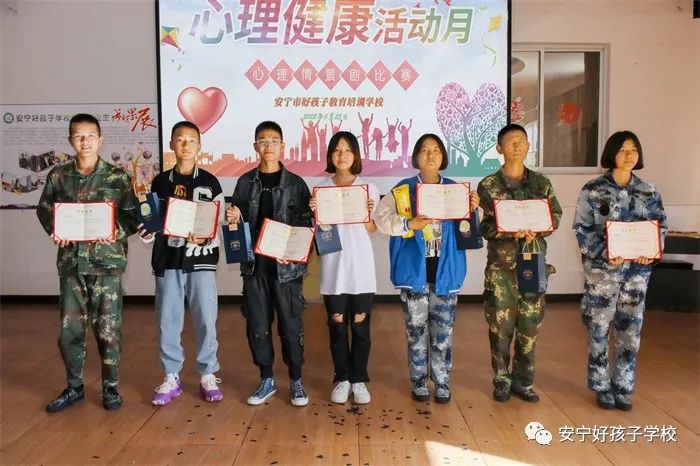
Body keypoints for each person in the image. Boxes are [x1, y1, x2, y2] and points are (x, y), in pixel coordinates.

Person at [36, 113, 138, 412]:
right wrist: (56, 231)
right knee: (70, 331)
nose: (85, 141)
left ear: (101, 139)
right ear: (70, 140)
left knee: (108, 329)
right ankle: (74, 387)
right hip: (72, 265)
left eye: (91, 135)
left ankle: (111, 388)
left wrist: (113, 231)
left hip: (106, 265)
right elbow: (45, 209)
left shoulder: (117, 177)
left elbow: (131, 216)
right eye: (79, 136)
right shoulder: (58, 176)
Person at [375, 134, 479, 403]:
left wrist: (473, 209)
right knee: (416, 332)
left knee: (443, 333)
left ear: (443, 156)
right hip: (414, 272)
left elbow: (468, 231)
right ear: (416, 157)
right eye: (424, 149)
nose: (430, 154)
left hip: (446, 271)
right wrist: (409, 224)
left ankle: (442, 382)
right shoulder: (403, 190)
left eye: (436, 150)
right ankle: (419, 381)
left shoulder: (456, 191)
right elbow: (381, 220)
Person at [573, 131, 667, 411]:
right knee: (598, 329)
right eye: (623, 149)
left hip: (636, 275)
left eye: (634, 149)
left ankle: (623, 387)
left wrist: (651, 251)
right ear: (611, 153)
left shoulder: (649, 191)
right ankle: (601, 386)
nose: (629, 155)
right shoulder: (593, 189)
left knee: (630, 331)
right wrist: (604, 253)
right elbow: (581, 229)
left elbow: (660, 227)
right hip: (603, 274)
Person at [226, 121, 313, 407]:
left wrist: (294, 253)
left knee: (291, 326)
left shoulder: (296, 184)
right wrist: (232, 220)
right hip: (255, 268)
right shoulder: (244, 183)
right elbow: (236, 225)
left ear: (283, 146)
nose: (268, 145)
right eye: (263, 140)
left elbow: (305, 227)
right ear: (255, 146)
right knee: (258, 326)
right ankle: (266, 379)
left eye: (274, 140)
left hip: (287, 270)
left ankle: (296, 380)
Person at [137, 121, 224, 406]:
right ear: (172, 144)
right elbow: (152, 222)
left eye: (191, 140)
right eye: (180, 139)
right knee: (168, 320)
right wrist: (147, 233)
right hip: (168, 260)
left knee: (206, 319)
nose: (186, 145)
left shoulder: (211, 182)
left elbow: (217, 224)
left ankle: (208, 374)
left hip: (201, 261)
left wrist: (205, 237)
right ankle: (171, 375)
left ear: (199, 146)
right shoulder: (160, 182)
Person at [477, 123, 562, 403]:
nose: (517, 146)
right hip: (501, 269)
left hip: (532, 263)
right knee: (500, 326)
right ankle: (502, 379)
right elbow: (484, 227)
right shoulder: (488, 185)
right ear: (499, 148)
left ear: (528, 146)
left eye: (522, 141)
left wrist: (538, 229)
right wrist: (507, 231)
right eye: (511, 142)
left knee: (529, 324)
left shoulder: (541, 183)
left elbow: (555, 216)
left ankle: (524, 382)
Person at [309, 131, 379, 405]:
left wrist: (368, 214)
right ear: (330, 155)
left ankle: (359, 379)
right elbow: (319, 231)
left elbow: (372, 229)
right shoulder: (321, 189)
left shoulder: (368, 188)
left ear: (356, 155)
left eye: (348, 149)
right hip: (334, 270)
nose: (342, 155)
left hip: (361, 269)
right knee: (336, 327)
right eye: (337, 150)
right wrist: (314, 211)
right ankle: (342, 378)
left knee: (361, 328)